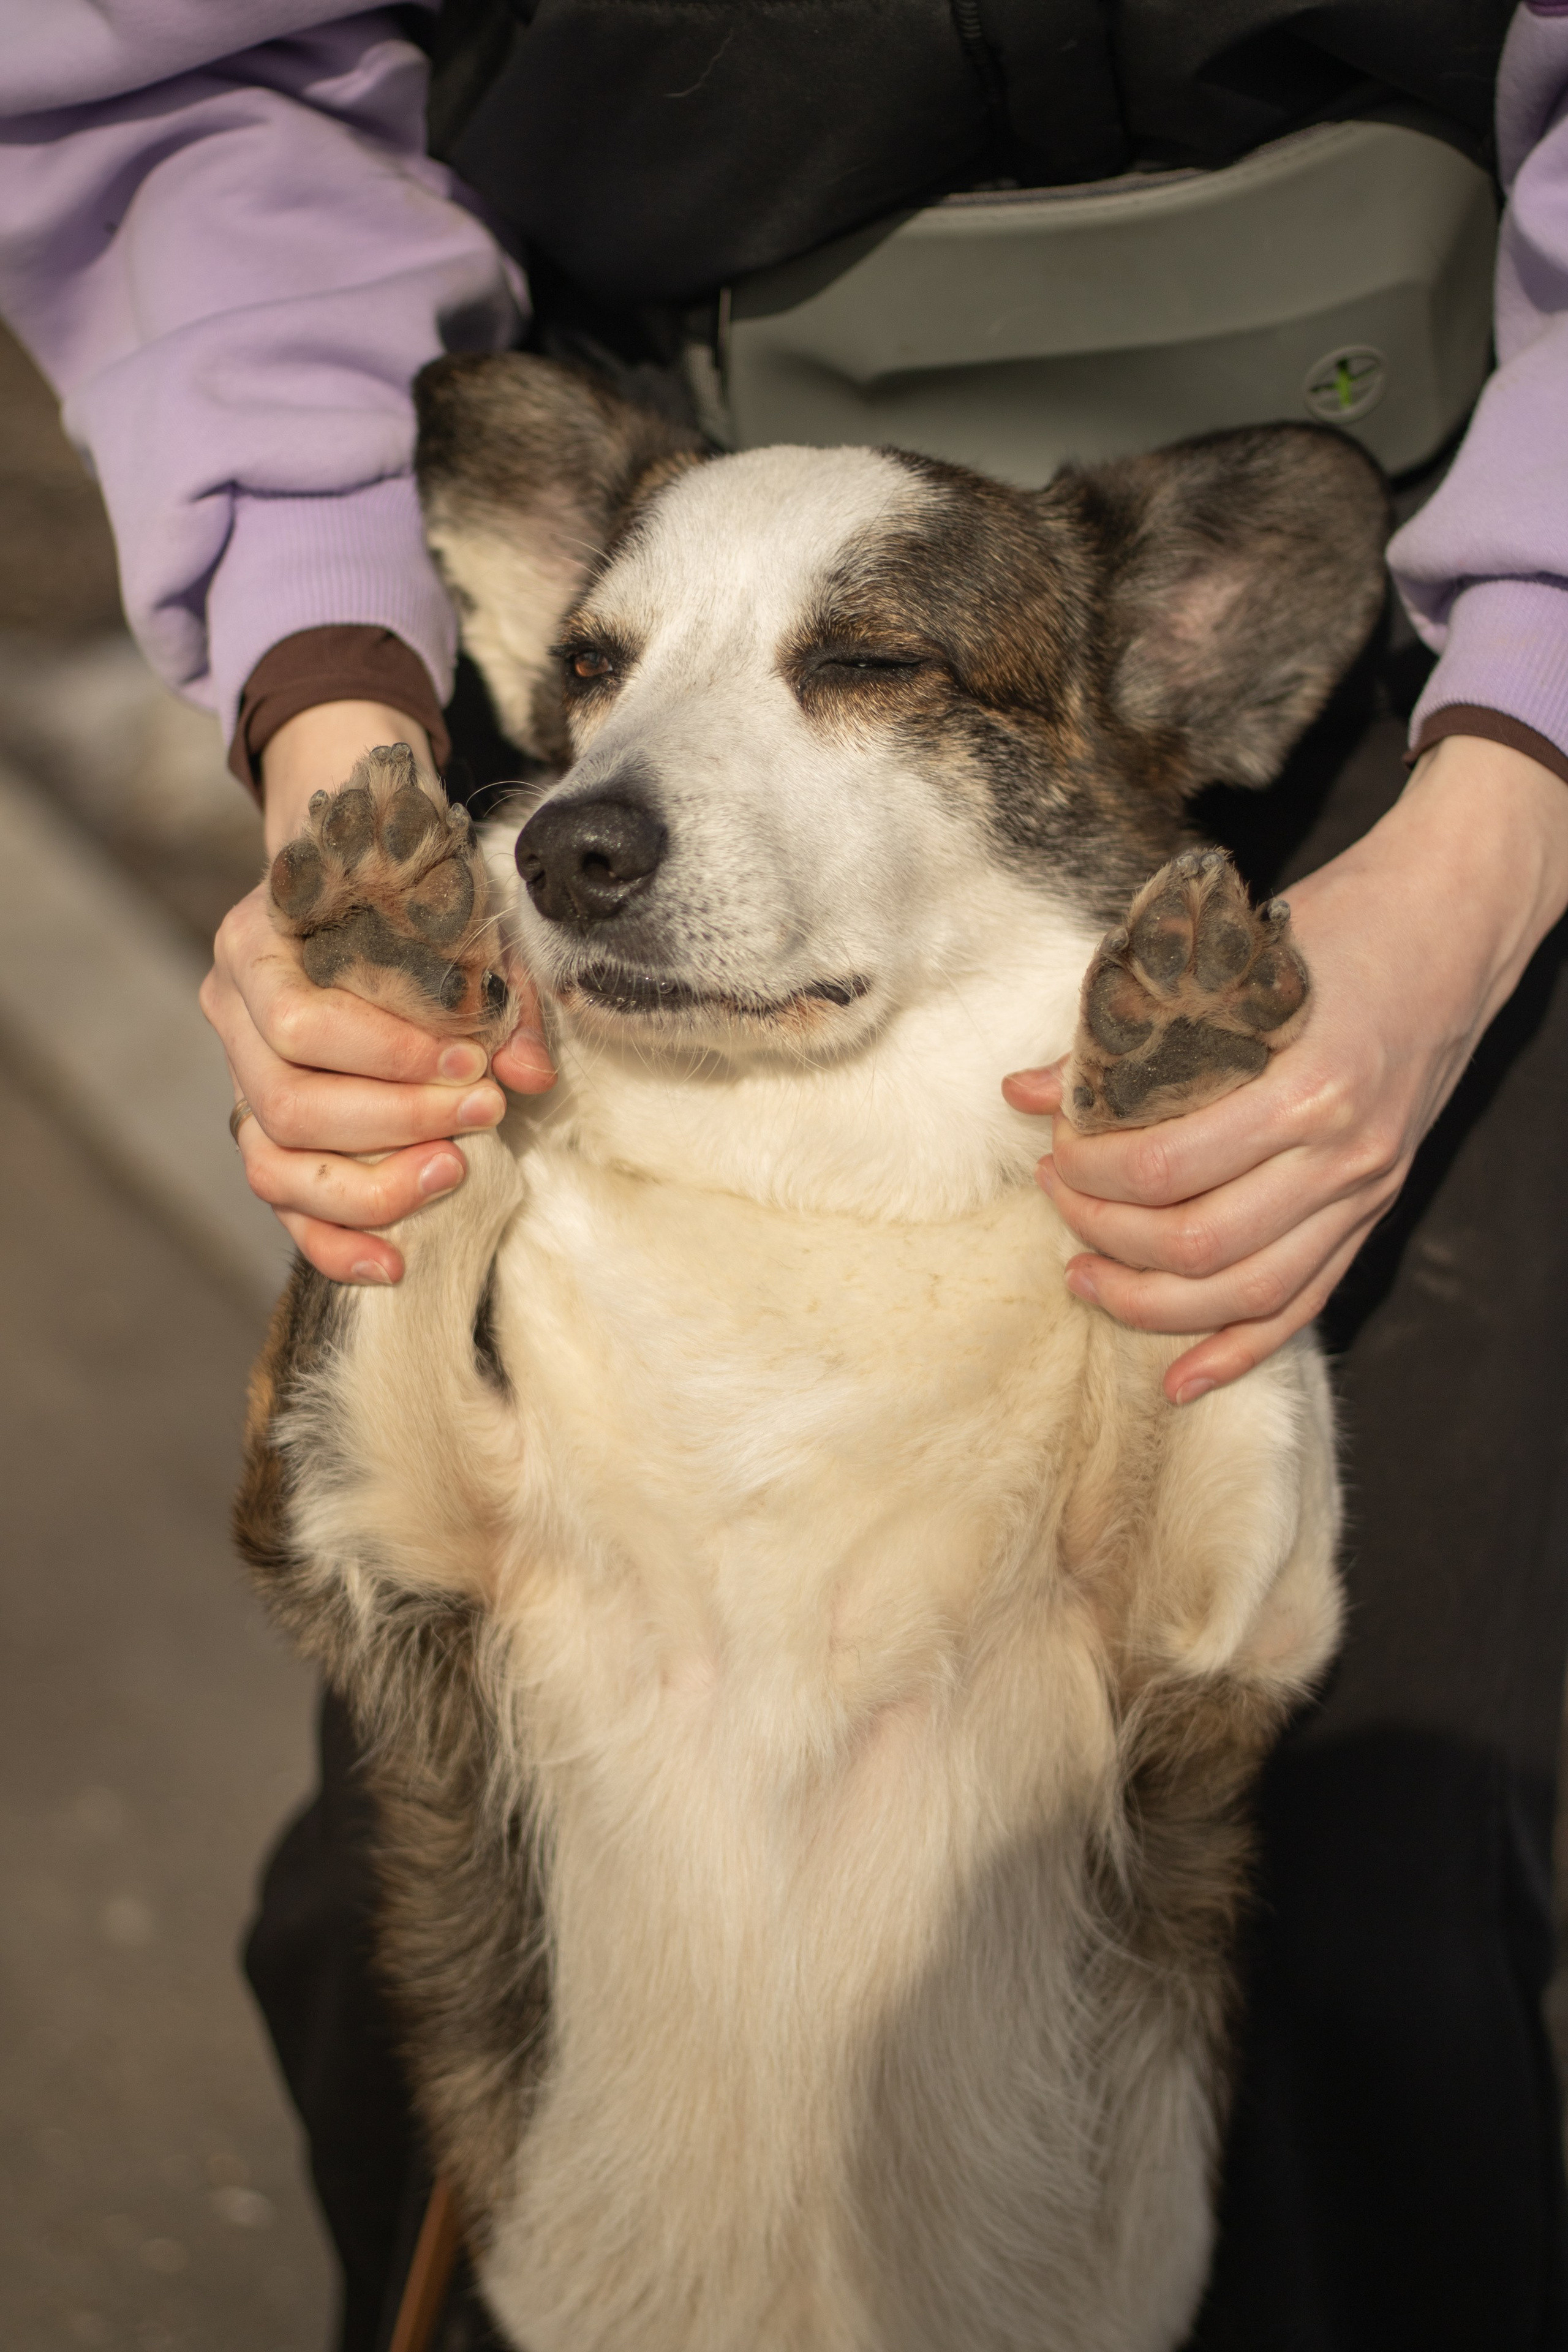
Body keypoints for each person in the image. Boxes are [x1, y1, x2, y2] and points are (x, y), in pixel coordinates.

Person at [5, 5, 1568, 2345]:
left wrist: (1506, 804)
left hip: (1448, 643)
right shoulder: (584, 765)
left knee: (1372, 1933)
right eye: (603, 689)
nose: (608, 796)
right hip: (654, 387)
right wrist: (341, 720)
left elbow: (1202, 1634)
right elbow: (163, 85)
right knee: (365, 1930)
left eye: (855, 675)